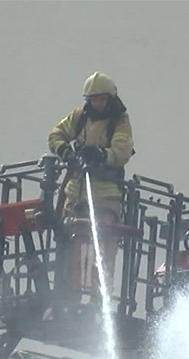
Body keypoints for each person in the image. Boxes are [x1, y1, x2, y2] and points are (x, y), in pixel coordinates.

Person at [48, 72, 134, 292]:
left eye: (101, 99)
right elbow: (56, 134)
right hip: (75, 194)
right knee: (68, 244)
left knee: (103, 247)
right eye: (93, 99)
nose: (97, 104)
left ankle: (98, 298)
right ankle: (67, 295)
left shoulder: (119, 123)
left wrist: (101, 155)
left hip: (106, 197)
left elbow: (121, 152)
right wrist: (65, 151)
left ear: (110, 99)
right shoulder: (79, 117)